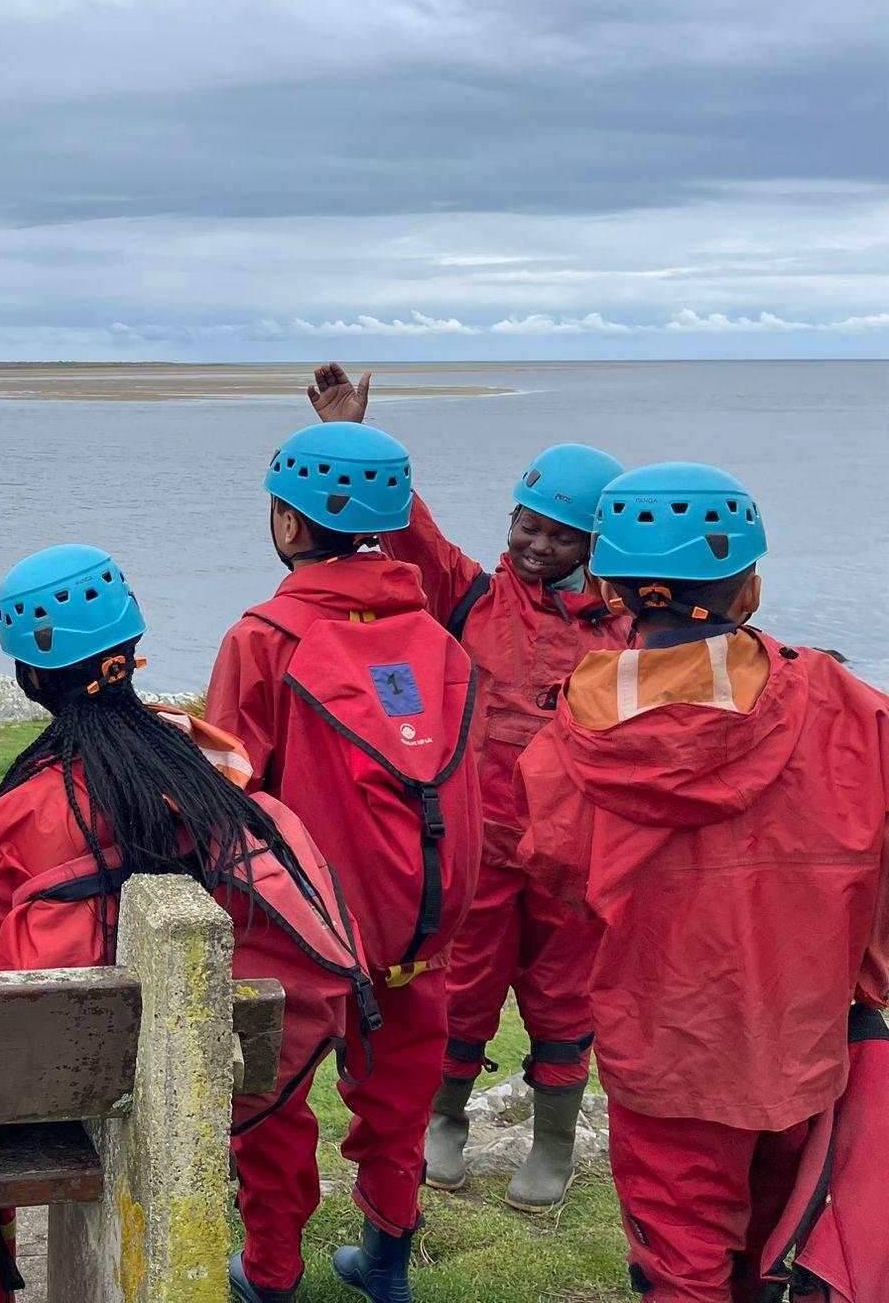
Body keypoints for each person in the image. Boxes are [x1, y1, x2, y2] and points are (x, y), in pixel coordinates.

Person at [0, 545, 376, 1303]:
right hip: (212, 1068)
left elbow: (6, 981)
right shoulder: (211, 766)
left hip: (74, 1081)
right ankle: (274, 1267)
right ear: (132, 648)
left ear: (30, 677)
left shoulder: (29, 807)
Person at [515, 464, 889, 1303]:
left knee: (683, 1264)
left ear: (606, 588)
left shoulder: (571, 735)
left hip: (667, 1047)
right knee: (778, 1246)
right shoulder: (845, 701)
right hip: (806, 1039)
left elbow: (561, 875)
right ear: (750, 589)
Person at [306, 364, 627, 1209]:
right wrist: (353, 436)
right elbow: (406, 531)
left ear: (596, 546)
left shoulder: (628, 633)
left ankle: (553, 1142)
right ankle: (444, 1121)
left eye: (562, 536)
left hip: (575, 858)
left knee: (564, 998)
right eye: (528, 524)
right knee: (463, 988)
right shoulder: (469, 595)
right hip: (477, 848)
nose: (538, 545)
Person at [204, 421, 482, 1303]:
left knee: (274, 1103)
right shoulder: (436, 637)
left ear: (289, 523)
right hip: (421, 926)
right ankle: (386, 1268)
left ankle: (271, 1273)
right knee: (399, 1102)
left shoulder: (264, 638)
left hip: (307, 930)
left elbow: (227, 795)